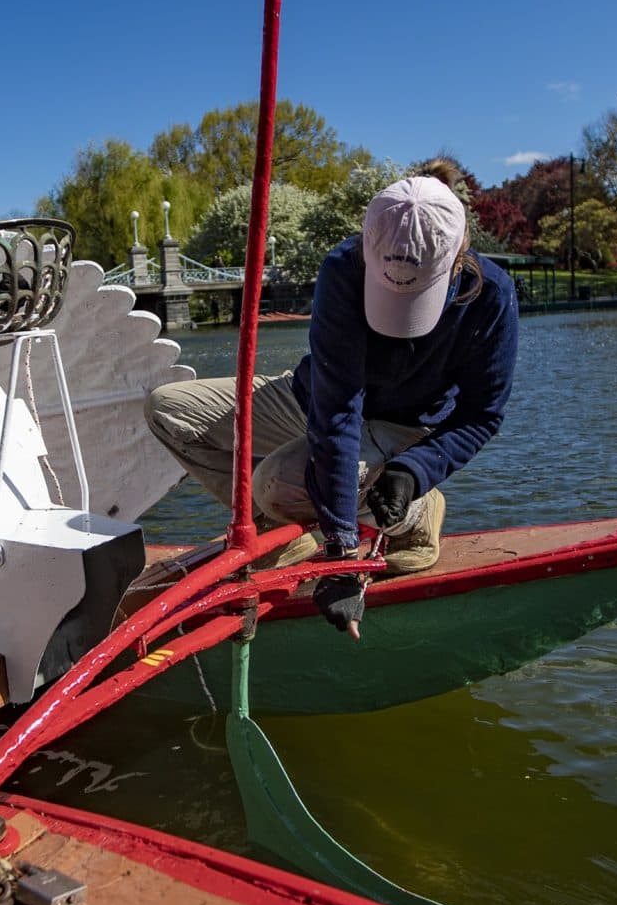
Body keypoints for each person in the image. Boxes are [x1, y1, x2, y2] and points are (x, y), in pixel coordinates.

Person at [145, 162, 519, 635]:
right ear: (368, 245)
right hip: (319, 398)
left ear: (458, 258)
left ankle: (417, 514)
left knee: (275, 483)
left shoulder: (492, 295)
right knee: (168, 411)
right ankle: (287, 532)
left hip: (402, 426)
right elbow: (339, 411)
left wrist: (416, 470)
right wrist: (342, 551)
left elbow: (482, 413)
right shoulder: (343, 270)